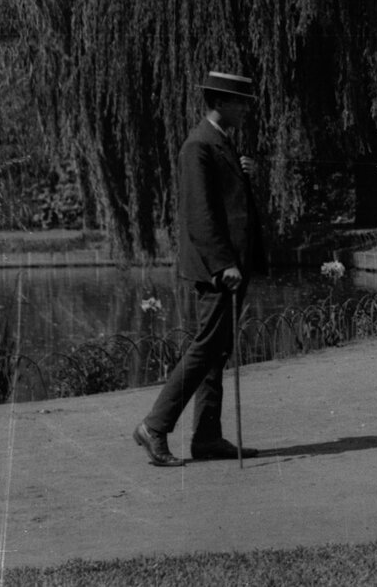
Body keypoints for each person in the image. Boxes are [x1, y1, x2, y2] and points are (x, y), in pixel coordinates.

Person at [134, 70, 267, 466]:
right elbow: (199, 215)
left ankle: (207, 437)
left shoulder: (221, 143)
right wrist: (223, 263)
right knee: (207, 345)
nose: (246, 108)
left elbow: (227, 203)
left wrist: (247, 176)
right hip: (217, 269)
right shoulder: (198, 146)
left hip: (231, 265)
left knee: (218, 348)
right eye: (240, 101)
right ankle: (155, 426)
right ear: (220, 102)